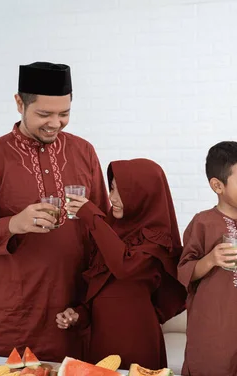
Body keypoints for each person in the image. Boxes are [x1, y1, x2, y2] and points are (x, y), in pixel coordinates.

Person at [0, 62, 110, 362]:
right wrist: (12, 224)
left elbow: (103, 226)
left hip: (75, 313)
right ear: (19, 103)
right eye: (44, 114)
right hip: (17, 317)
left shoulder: (84, 152)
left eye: (64, 114)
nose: (55, 123)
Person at [58, 158, 187, 369]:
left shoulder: (156, 240)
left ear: (143, 195)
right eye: (111, 189)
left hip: (137, 341)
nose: (111, 198)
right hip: (100, 343)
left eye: (122, 191)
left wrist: (92, 216)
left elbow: (124, 268)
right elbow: (99, 294)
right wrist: (77, 315)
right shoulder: (108, 232)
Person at [177, 141, 237, 376]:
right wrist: (210, 259)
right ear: (217, 185)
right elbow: (184, 271)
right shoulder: (203, 222)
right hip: (212, 329)